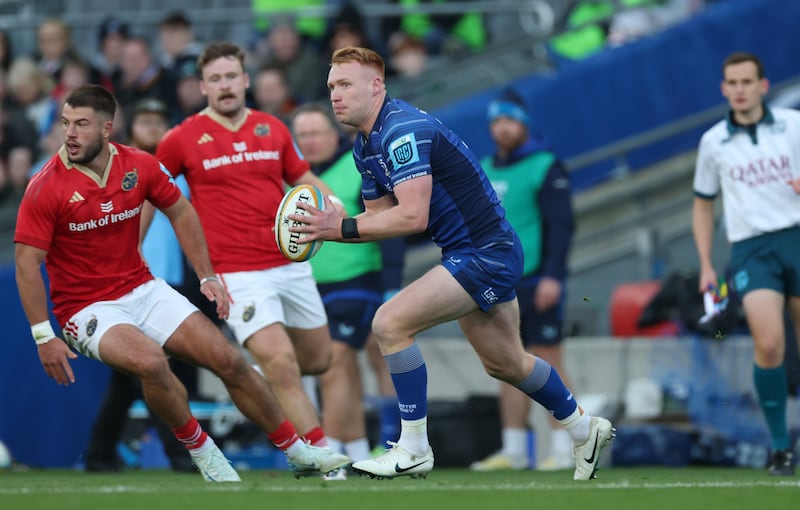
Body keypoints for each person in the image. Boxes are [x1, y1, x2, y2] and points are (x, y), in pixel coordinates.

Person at [291, 46, 614, 480]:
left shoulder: (402, 130)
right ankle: (583, 428)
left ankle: (414, 447)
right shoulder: (365, 146)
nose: (336, 95)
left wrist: (340, 228)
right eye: (332, 86)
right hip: (473, 252)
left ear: (376, 86)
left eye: (345, 84)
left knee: (389, 323)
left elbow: (411, 216)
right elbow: (379, 218)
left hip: (484, 252)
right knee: (506, 363)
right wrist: (333, 225)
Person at [13, 84, 350, 482]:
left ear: (107, 128)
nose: (70, 133)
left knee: (230, 362)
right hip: (86, 308)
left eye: (82, 124)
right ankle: (201, 450)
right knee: (152, 363)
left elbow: (182, 212)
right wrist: (42, 335)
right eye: (66, 123)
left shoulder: (138, 165)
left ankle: (298, 451)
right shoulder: (45, 186)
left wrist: (208, 276)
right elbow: (25, 263)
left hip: (143, 288)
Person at [155, 42, 340, 464]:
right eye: (215, 79)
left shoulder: (272, 127)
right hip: (236, 274)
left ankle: (263, 382)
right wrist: (132, 248)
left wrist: (334, 205)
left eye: (231, 76)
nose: (225, 86)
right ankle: (319, 456)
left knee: (319, 359)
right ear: (203, 86)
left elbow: (301, 174)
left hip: (290, 263)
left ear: (246, 80)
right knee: (281, 361)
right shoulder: (181, 138)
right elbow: (152, 193)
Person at [692, 51, 800, 477]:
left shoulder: (794, 126)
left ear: (763, 85)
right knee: (769, 343)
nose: (739, 89)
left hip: (797, 237)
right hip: (751, 250)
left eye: (746, 82)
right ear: (724, 89)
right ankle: (779, 447)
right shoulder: (713, 141)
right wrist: (705, 264)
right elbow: (703, 205)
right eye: (732, 83)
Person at [289, 102, 405, 473]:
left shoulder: (358, 170)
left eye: (315, 132)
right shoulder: (293, 181)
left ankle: (346, 449)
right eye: (301, 135)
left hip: (358, 283)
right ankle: (354, 450)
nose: (308, 141)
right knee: (338, 367)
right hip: (309, 288)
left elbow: (390, 228)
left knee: (338, 360)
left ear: (333, 134)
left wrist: (391, 285)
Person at [82, 98, 195, 473]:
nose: (151, 126)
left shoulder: (178, 174)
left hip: (171, 284)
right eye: (144, 119)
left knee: (131, 377)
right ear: (132, 127)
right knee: (149, 370)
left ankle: (100, 453)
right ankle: (179, 452)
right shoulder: (115, 169)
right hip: (123, 281)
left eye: (158, 120)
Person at [470, 89, 576, 472]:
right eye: (497, 122)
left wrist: (553, 276)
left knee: (549, 360)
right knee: (505, 363)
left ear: (524, 123)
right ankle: (514, 449)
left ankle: (566, 446)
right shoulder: (483, 166)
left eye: (509, 121)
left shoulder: (545, 166)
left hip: (536, 280)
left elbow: (561, 226)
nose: (503, 129)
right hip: (497, 282)